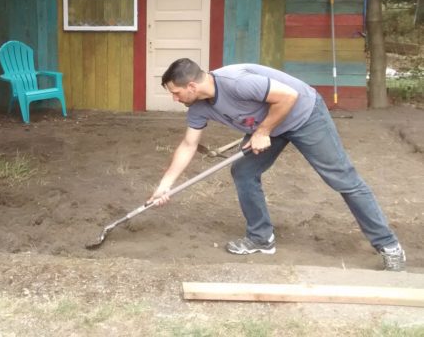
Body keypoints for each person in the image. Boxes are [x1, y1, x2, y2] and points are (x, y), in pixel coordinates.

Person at [148, 59, 406, 271]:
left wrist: (263, 132)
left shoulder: (237, 82)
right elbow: (188, 145)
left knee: (341, 178)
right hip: (268, 125)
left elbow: (288, 95)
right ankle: (261, 238)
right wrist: (165, 185)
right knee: (244, 172)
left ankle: (389, 246)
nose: (174, 99)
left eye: (176, 93)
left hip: (303, 114)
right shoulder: (198, 108)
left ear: (191, 86)